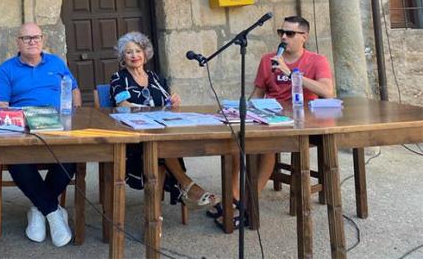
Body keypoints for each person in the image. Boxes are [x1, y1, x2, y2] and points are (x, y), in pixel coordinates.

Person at [210, 15, 334, 229]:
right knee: (234, 142)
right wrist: (243, 112)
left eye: (290, 33)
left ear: (304, 36)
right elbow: (258, 93)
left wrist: (290, 73)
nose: (284, 37)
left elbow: (327, 91)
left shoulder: (316, 60)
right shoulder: (268, 60)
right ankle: (234, 197)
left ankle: (249, 203)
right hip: (270, 115)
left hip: (300, 120)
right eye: (281, 32)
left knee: (266, 147)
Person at [0, 22, 81, 247]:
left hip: (58, 126)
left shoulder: (57, 63)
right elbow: (0, 104)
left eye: (36, 37)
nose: (32, 41)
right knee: (15, 158)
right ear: (18, 42)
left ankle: (39, 210)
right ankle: (53, 212)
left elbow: (74, 91)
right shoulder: (6, 69)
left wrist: (73, 114)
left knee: (70, 157)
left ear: (43, 40)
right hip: (24, 129)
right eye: (26, 38)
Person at [110, 31, 218, 209]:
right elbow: (123, 104)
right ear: (123, 57)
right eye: (129, 52)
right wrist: (151, 111)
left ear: (145, 54)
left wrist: (173, 102)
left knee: (164, 145)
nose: (134, 55)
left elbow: (167, 103)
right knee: (160, 147)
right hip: (134, 138)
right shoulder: (119, 78)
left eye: (138, 50)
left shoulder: (155, 78)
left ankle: (170, 199)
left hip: (160, 132)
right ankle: (186, 186)